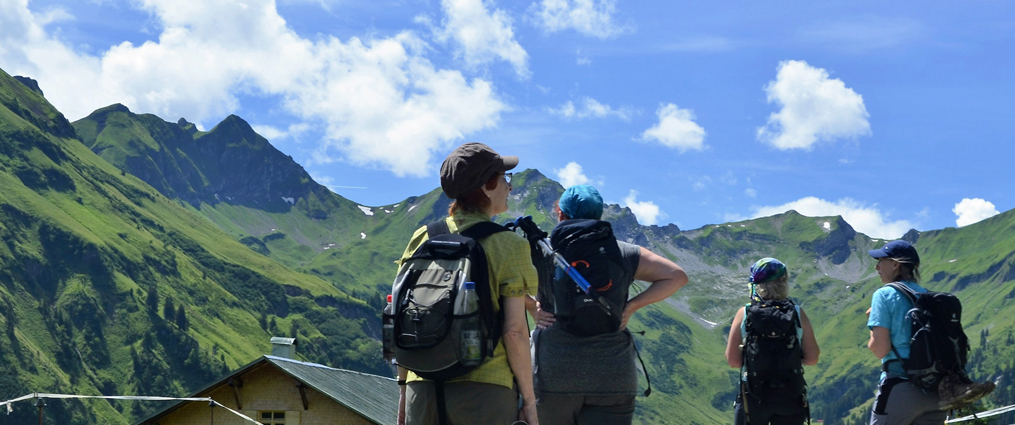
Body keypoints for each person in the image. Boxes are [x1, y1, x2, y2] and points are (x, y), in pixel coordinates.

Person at [396, 142, 539, 425]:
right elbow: (514, 333)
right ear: (487, 185)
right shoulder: (510, 245)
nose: (509, 187)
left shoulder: (423, 236)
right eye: (504, 179)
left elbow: (402, 315)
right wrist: (530, 402)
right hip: (485, 389)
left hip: (421, 388)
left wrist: (403, 390)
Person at [528, 185, 688, 425]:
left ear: (560, 214)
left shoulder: (542, 250)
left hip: (555, 375)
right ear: (598, 217)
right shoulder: (622, 251)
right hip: (614, 376)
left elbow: (494, 278)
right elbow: (677, 276)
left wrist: (531, 305)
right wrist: (632, 306)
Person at [725, 258, 820, 425]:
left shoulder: (745, 313)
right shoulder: (797, 313)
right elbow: (812, 358)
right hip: (790, 396)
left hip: (753, 396)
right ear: (784, 282)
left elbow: (733, 361)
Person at [865, 240, 946, 425]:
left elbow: (879, 349)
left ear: (895, 264)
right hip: (935, 391)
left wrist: (872, 324)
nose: (877, 266)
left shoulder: (884, 295)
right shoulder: (927, 296)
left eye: (881, 261)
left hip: (899, 387)